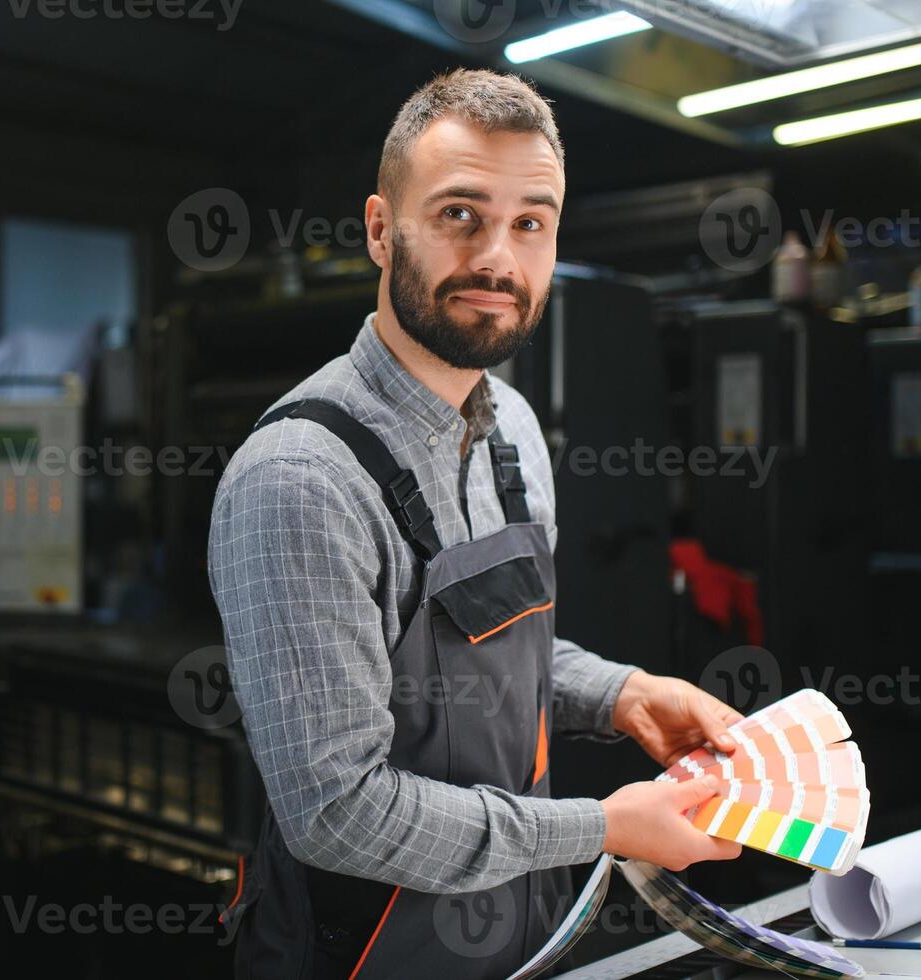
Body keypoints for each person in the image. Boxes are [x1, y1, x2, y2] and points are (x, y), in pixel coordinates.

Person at [207, 68, 743, 980]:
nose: (498, 257)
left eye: (529, 222)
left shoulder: (516, 431)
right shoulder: (301, 479)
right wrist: (602, 828)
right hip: (357, 958)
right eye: (460, 214)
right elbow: (338, 811)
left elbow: (488, 651)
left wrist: (623, 693)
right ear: (382, 229)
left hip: (512, 939)